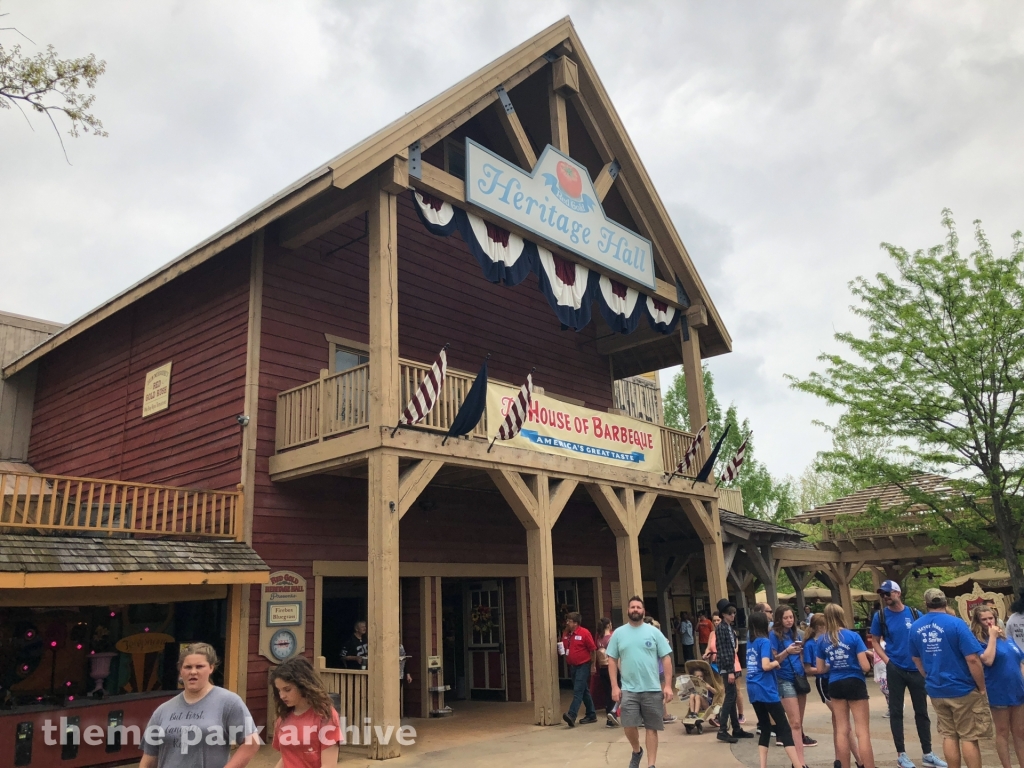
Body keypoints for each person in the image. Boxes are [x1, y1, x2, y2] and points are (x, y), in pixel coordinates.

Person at [140, 642, 260, 768]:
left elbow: (251, 743)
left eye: (199, 666)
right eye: (188, 667)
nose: (193, 672)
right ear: (180, 670)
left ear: (211, 668)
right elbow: (149, 758)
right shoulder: (163, 710)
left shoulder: (229, 702)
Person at [910, 588, 993, 768]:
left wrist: (929, 675)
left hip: (936, 689)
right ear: (945, 602)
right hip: (962, 688)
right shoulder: (956, 624)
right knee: (969, 736)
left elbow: (916, 659)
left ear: (926, 604)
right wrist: (981, 687)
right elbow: (972, 658)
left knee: (949, 734)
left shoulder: (915, 627)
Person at [870, 580, 946, 768]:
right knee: (896, 712)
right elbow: (875, 641)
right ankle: (901, 754)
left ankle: (927, 752)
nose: (886, 597)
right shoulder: (880, 616)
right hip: (895, 668)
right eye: (883, 594)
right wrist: (887, 661)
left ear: (898, 593)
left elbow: (924, 637)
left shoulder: (914, 613)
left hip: (916, 669)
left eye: (889, 593)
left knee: (922, 711)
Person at [607, 596, 674, 768]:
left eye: (638, 607)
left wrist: (667, 685)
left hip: (652, 689)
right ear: (628, 611)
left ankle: (651, 764)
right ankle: (637, 751)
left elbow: (666, 658)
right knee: (628, 725)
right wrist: (615, 686)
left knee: (652, 728)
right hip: (629, 689)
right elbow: (612, 660)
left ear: (643, 611)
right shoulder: (619, 634)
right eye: (632, 607)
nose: (635, 610)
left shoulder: (654, 632)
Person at [816, 604, 876, 768]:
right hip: (855, 682)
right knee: (862, 732)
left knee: (842, 730)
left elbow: (820, 669)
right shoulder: (853, 637)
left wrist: (834, 665)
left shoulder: (822, 640)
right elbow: (865, 667)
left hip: (835, 683)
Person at [805, 613, 865, 768]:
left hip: (835, 679)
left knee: (838, 724)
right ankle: (859, 760)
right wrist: (832, 665)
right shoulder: (813, 644)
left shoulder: (832, 639)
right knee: (844, 725)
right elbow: (809, 668)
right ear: (820, 627)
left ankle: (839, 759)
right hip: (824, 680)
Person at [747, 611, 804, 768]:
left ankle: (762, 765)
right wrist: (775, 664)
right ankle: (798, 765)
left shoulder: (750, 642)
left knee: (765, 727)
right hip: (766, 688)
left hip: (752, 688)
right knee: (783, 727)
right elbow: (766, 665)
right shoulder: (764, 642)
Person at [971, 605, 1024, 768]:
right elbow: (987, 660)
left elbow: (1020, 660)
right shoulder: (979, 641)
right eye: (984, 619)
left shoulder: (1006, 639)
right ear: (978, 622)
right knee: (1002, 731)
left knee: (1020, 731)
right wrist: (992, 637)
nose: (989, 622)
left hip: (1017, 689)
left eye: (991, 618)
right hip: (998, 690)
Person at [270, 656, 342, 768]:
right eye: (279, 690)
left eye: (287, 689)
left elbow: (329, 765)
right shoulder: (283, 718)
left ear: (303, 685)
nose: (282, 696)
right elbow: (287, 757)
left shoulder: (325, 715)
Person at [771, 603, 816, 766]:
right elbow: (773, 660)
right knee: (794, 722)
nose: (789, 620)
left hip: (799, 677)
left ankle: (798, 761)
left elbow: (804, 654)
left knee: (799, 723)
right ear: (779, 619)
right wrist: (787, 651)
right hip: (784, 679)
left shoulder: (797, 633)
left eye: (791, 617)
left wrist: (802, 654)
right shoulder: (773, 636)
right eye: (785, 618)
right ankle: (799, 763)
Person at [715, 602, 754, 743]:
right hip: (728, 667)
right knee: (730, 697)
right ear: (724, 614)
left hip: (731, 666)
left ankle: (735, 728)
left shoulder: (728, 628)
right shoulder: (722, 628)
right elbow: (725, 651)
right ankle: (722, 729)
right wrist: (730, 671)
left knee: (731, 697)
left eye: (734, 613)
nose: (733, 615)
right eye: (730, 613)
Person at [561, 611, 598, 727]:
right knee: (584, 690)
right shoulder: (566, 634)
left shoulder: (584, 633)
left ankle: (572, 715)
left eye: (570, 621)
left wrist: (593, 665)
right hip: (573, 666)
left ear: (576, 623)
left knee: (578, 690)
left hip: (583, 665)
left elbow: (593, 650)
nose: (567, 623)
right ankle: (591, 714)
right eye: (567, 621)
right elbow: (564, 647)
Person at [594, 617, 615, 722]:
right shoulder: (611, 637)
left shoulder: (599, 639)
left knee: (607, 691)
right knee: (614, 690)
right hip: (611, 667)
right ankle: (612, 713)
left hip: (602, 667)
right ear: (608, 625)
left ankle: (609, 713)